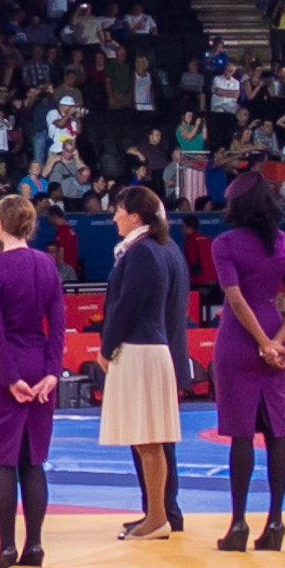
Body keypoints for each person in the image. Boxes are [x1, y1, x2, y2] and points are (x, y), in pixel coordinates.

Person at [212, 174, 285, 553]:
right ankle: (276, 521)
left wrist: (262, 342)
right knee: (276, 432)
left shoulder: (225, 244)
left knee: (241, 435)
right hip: (274, 335)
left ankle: (237, 523)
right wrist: (278, 340)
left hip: (240, 340)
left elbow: (235, 299)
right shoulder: (283, 242)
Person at [0, 194, 63, 568]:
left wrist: (9, 378)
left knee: (2, 459)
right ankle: (37, 545)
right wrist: (52, 373)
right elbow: (58, 324)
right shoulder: (48, 265)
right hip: (39, 363)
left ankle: (8, 547)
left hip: (2, 369)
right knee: (33, 459)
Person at [99, 184, 188, 540]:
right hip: (155, 347)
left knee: (149, 438)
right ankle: (158, 512)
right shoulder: (162, 248)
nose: (114, 217)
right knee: (150, 438)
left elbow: (127, 307)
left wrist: (106, 348)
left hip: (142, 349)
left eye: (118, 210)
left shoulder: (142, 253)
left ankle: (158, 516)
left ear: (135, 215)